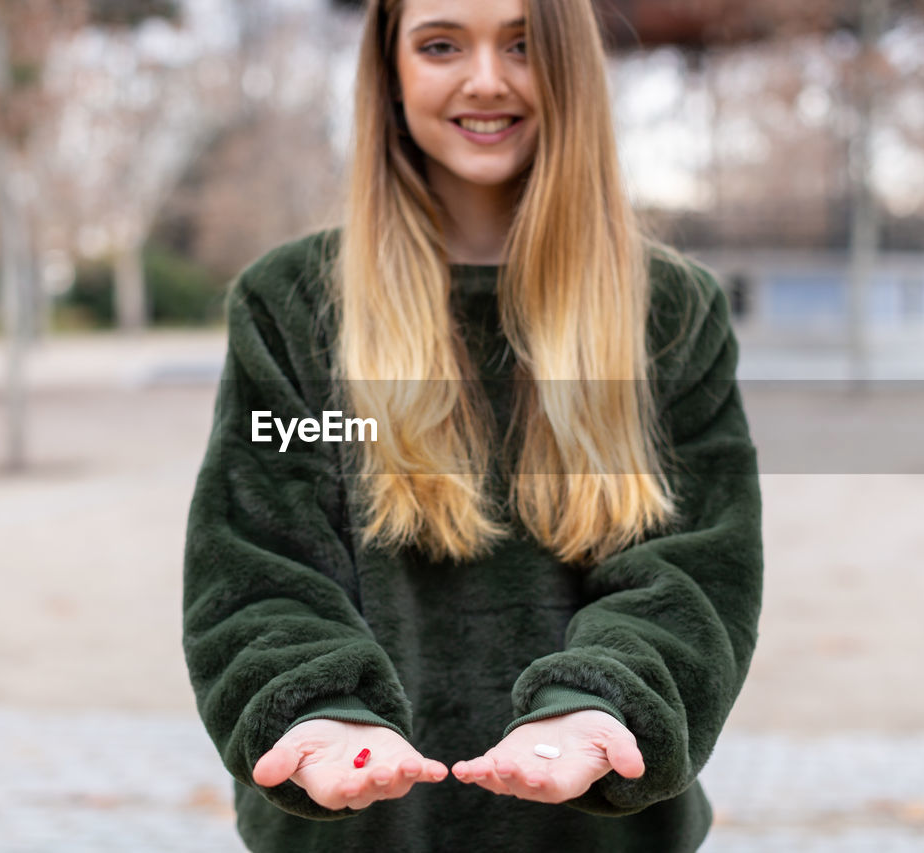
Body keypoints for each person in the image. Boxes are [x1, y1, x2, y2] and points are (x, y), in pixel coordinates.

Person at [181, 0, 762, 850]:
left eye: (524, 44)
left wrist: (600, 703)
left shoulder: (671, 313)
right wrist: (317, 704)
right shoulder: (291, 305)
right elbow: (260, 561)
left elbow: (696, 570)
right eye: (442, 43)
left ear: (572, 64)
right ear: (392, 69)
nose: (486, 79)